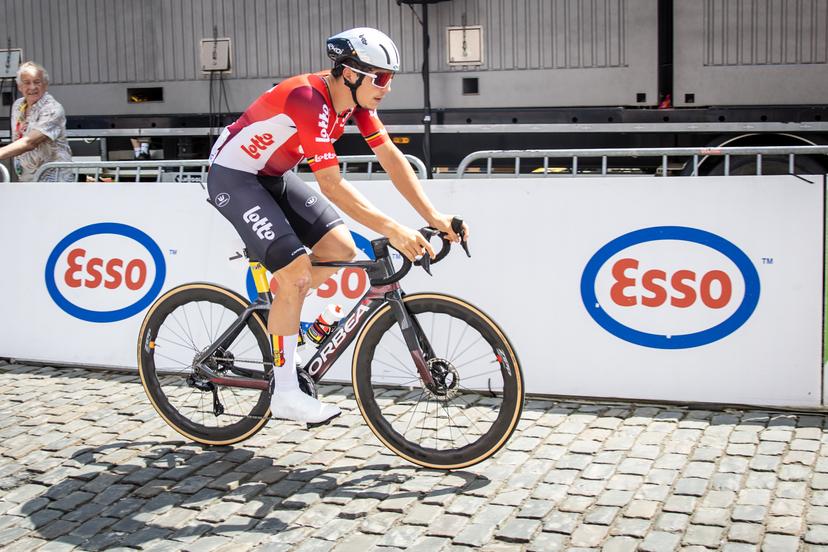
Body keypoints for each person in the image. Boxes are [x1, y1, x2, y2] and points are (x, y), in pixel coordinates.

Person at [207, 27, 469, 424]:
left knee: (342, 250)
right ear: (350, 73)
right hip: (235, 176)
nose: (387, 87)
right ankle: (286, 395)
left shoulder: (357, 106)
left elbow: (393, 159)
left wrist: (434, 217)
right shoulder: (307, 98)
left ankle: (283, 311)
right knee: (296, 276)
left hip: (273, 175)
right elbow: (331, 184)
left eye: (391, 78)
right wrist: (395, 230)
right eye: (380, 77)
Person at [0, 62, 73, 182]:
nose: (32, 87)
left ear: (45, 85)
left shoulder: (53, 108)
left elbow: (30, 142)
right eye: (27, 82)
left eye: (37, 82)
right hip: (26, 179)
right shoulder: (18, 105)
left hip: (54, 181)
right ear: (19, 86)